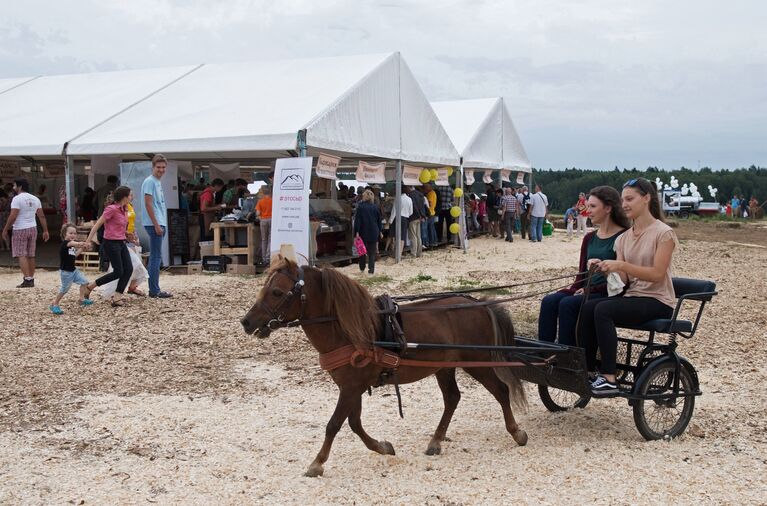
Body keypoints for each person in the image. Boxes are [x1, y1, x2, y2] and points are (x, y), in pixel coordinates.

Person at [579, 178, 678, 396]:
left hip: (658, 300)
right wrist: (606, 269)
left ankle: (609, 377)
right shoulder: (624, 238)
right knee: (588, 308)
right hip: (634, 296)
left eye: (630, 199)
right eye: (623, 199)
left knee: (603, 310)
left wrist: (621, 264)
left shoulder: (664, 233)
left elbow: (657, 274)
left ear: (646, 199)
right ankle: (587, 370)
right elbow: (623, 280)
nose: (624, 204)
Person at [538, 186, 629, 346]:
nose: (588, 211)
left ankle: (568, 359)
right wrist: (570, 290)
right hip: (586, 290)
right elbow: (582, 273)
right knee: (549, 300)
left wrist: (588, 290)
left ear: (608, 208)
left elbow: (621, 281)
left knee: (568, 304)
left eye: (593, 206)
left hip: (608, 293)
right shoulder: (589, 238)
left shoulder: (623, 237)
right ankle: (543, 353)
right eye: (588, 206)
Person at [84, 186, 134, 307]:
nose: (132, 197)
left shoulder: (125, 209)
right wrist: (88, 241)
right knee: (118, 272)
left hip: (121, 242)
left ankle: (117, 297)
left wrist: (127, 234)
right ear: (124, 197)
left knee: (129, 269)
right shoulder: (111, 209)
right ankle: (91, 286)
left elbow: (119, 226)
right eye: (130, 195)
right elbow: (96, 225)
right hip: (110, 243)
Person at [2, 178, 50, 288]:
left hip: (20, 228)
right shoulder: (35, 199)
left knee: (21, 254)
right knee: (31, 254)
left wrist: (5, 229)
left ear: (20, 187)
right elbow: (41, 216)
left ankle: (27, 279)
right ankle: (31, 278)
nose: (13, 188)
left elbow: (13, 216)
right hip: (33, 228)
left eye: (14, 186)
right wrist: (45, 230)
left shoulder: (17, 199)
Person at [142, 154, 172, 298]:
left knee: (156, 256)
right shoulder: (150, 182)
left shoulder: (156, 182)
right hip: (155, 223)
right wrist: (156, 224)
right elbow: (148, 204)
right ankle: (154, 290)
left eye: (163, 167)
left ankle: (154, 288)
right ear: (153, 167)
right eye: (158, 167)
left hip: (159, 221)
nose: (161, 170)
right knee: (155, 257)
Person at [50, 224, 95, 314]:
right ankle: (55, 304)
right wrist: (81, 243)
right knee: (64, 289)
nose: (73, 235)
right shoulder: (66, 244)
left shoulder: (71, 246)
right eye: (70, 233)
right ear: (64, 234)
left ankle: (81, 299)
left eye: (74, 233)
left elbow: (74, 256)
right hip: (66, 272)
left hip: (73, 270)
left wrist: (82, 248)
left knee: (85, 282)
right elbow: (74, 243)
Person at [354, 190, 383, 275]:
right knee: (372, 252)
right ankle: (371, 270)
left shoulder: (360, 207)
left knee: (362, 250)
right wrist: (380, 231)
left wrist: (356, 231)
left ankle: (362, 268)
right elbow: (379, 221)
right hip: (374, 231)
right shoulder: (375, 207)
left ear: (364, 197)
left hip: (364, 231)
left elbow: (358, 221)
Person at [389, 189, 413, 258]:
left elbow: (394, 210)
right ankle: (399, 254)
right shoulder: (409, 199)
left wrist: (390, 221)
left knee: (396, 236)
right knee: (402, 237)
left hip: (397, 217)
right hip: (405, 218)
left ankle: (395, 253)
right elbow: (411, 212)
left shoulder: (398, 198)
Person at [407, 185, 426, 257]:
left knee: (413, 236)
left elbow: (414, 206)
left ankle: (413, 252)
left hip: (414, 217)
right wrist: (422, 215)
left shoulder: (411, 195)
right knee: (418, 235)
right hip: (420, 217)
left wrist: (418, 215)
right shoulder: (420, 194)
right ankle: (419, 252)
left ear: (410, 187)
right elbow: (423, 206)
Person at [256, 185, 273, 264]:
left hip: (263, 220)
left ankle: (263, 259)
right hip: (272, 219)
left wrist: (260, 218)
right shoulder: (273, 201)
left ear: (262, 192)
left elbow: (258, 213)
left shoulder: (260, 201)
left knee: (263, 239)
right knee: (270, 239)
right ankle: (268, 257)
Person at [422, 183, 438, 248]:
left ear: (429, 187)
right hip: (432, 212)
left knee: (430, 228)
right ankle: (434, 241)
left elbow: (430, 203)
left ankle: (432, 242)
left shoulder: (431, 193)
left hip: (430, 213)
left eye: (426, 187)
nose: (425, 189)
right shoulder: (432, 193)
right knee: (432, 228)